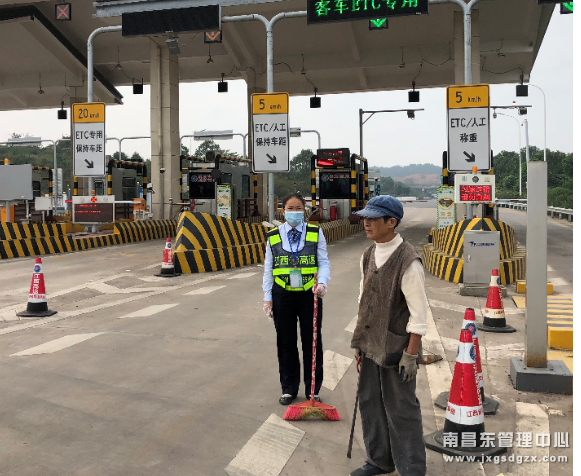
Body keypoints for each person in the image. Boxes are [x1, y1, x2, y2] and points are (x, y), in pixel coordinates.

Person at [350, 195, 428, 476]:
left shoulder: (408, 261)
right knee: (370, 401)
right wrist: (360, 343)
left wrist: (411, 354)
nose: (366, 223)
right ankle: (379, 460)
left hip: (397, 348)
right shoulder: (368, 254)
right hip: (370, 343)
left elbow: (419, 314)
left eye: (373, 218)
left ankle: (412, 468)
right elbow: (363, 298)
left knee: (401, 408)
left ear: (391, 222)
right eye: (365, 218)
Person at [262, 193, 330, 405]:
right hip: (282, 293)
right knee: (286, 342)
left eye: (298, 208)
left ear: (304, 210)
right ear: (283, 211)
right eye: (290, 208)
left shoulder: (315, 232)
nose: (294, 212)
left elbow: (323, 262)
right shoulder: (273, 236)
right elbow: (268, 269)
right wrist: (268, 298)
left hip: (310, 293)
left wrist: (322, 283)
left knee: (312, 341)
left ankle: (312, 390)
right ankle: (289, 388)